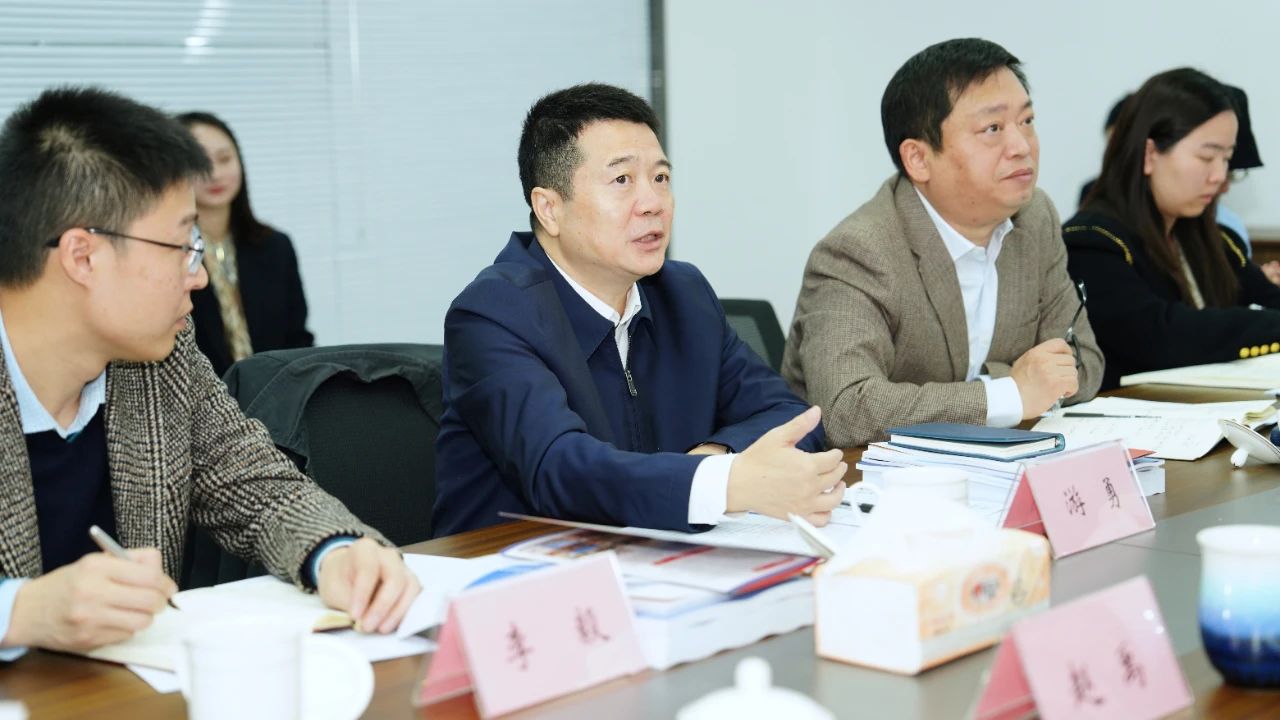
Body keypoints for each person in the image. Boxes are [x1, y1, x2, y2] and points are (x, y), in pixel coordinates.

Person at [0, 87, 419, 658]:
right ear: (83, 256)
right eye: (181, 244)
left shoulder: (160, 357)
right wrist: (20, 611)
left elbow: (257, 488)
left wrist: (336, 553)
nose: (198, 275)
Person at [433, 83, 843, 537]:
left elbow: (790, 416)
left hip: (653, 556)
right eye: (622, 180)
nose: (653, 204)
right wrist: (722, 483)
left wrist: (714, 460)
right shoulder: (493, 315)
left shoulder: (683, 295)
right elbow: (560, 469)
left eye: (660, 178)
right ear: (549, 208)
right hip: (513, 564)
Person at [782, 38, 1103, 448]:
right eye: (993, 129)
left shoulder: (1034, 217)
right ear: (918, 159)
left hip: (997, 465)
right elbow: (846, 409)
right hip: (863, 479)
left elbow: (1083, 362)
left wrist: (1016, 388)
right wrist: (1009, 393)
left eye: (1027, 121)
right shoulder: (858, 251)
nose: (1022, 147)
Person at [1063, 68, 1280, 389]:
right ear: (1150, 154)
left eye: (1226, 159)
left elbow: (1269, 299)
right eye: (1207, 157)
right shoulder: (1092, 242)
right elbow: (1161, 335)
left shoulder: (1215, 240)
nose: (1219, 176)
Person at [176, 111, 313, 377]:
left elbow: (298, 340)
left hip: (276, 394)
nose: (215, 173)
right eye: (200, 162)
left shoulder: (276, 247)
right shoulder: (168, 254)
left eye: (224, 159)